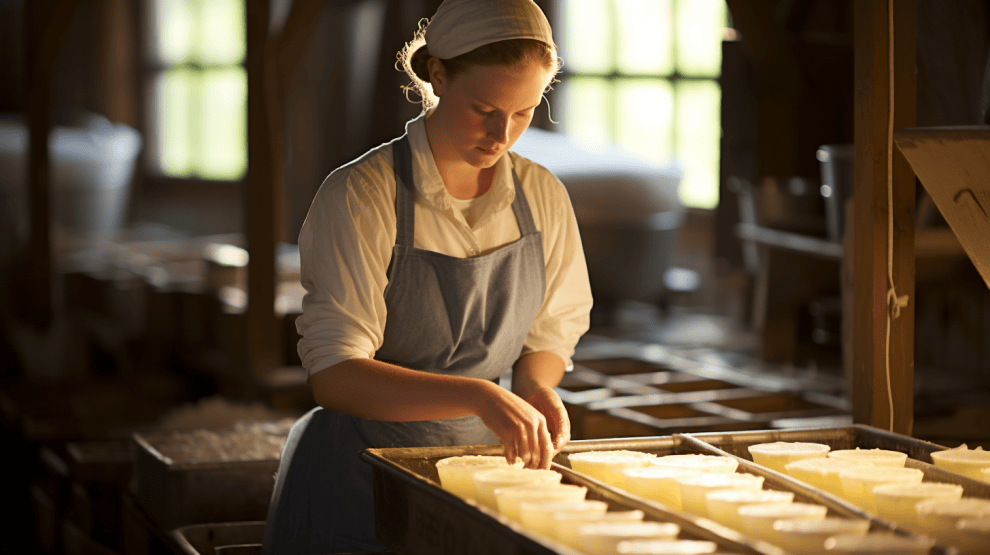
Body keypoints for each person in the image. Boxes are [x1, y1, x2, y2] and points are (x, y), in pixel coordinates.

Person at [262, 0, 593, 552]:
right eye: (483, 108)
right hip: (360, 478)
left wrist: (535, 385)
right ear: (438, 75)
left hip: (479, 475)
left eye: (524, 111)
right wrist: (481, 395)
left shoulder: (542, 198)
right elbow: (338, 375)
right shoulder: (363, 196)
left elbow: (551, 329)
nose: (501, 134)